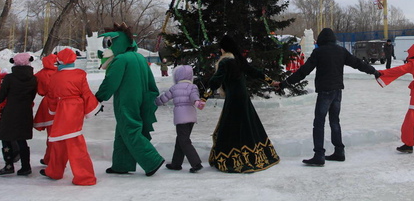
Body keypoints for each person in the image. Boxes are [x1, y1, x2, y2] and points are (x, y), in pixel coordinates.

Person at [276, 28, 381, 166]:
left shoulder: (318, 52)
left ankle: (319, 155)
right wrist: (373, 71)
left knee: (319, 122)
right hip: (337, 91)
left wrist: (285, 83)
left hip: (325, 91)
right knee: (334, 121)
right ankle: (339, 151)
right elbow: (357, 63)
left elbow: (303, 72)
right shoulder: (341, 51)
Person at [95, 22, 165, 176]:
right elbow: (150, 81)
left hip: (126, 100)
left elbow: (111, 82)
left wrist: (98, 97)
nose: (108, 47)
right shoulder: (139, 58)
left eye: (110, 43)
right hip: (141, 98)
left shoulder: (121, 60)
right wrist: (150, 96)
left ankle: (152, 160)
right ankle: (121, 164)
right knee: (122, 130)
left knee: (130, 129)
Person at [207, 35, 279, 173]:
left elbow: (215, 81)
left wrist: (206, 90)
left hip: (233, 99)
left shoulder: (225, 62)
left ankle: (234, 159)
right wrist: (271, 82)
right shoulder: (238, 60)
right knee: (248, 125)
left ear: (223, 49)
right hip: (243, 97)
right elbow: (254, 72)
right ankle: (256, 155)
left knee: (231, 127)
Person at [41, 48, 100, 185]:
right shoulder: (80, 74)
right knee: (73, 142)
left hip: (61, 111)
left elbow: (51, 97)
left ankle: (61, 173)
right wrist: (92, 107)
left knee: (60, 142)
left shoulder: (55, 77)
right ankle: (83, 176)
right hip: (75, 111)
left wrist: (53, 110)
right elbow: (86, 93)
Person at [0, 52, 37, 176]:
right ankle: (26, 166)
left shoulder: (9, 78)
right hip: (25, 112)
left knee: (5, 137)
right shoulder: (34, 79)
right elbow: (32, 96)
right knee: (22, 139)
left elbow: (1, 96)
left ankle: (9, 165)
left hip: (11, 112)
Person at [155, 65, 205, 173]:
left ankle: (196, 163)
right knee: (181, 140)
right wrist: (197, 102)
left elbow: (164, 98)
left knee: (184, 140)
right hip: (191, 117)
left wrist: (155, 102)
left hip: (181, 118)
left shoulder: (174, 88)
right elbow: (194, 96)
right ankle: (176, 163)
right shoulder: (193, 87)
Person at [33, 53, 57, 165]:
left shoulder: (39, 75)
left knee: (50, 134)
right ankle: (53, 158)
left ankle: (49, 158)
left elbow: (38, 90)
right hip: (60, 103)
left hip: (46, 104)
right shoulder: (59, 73)